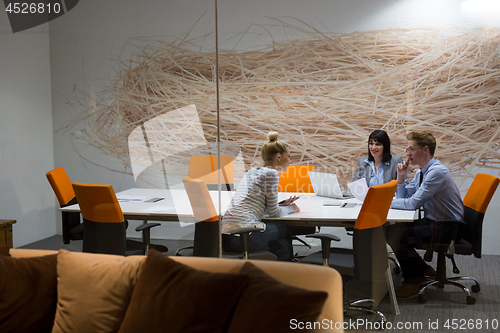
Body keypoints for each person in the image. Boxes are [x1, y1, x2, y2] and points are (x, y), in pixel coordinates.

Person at [386, 131, 464, 299]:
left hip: (446, 227)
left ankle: (413, 281)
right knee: (393, 231)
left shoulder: (437, 172)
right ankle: (424, 270)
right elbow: (404, 197)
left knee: (398, 235)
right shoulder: (423, 171)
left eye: (411, 149)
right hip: (435, 221)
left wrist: (384, 203)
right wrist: (401, 177)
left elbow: (412, 204)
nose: (407, 154)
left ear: (425, 149)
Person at [221, 131, 300, 261]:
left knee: (283, 245)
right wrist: (292, 209)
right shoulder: (271, 174)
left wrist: (280, 205)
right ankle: (287, 273)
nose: (290, 161)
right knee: (285, 230)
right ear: (278, 157)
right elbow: (275, 213)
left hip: (226, 236)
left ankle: (273, 270)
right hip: (242, 236)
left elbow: (252, 206)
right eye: (289, 156)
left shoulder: (252, 172)